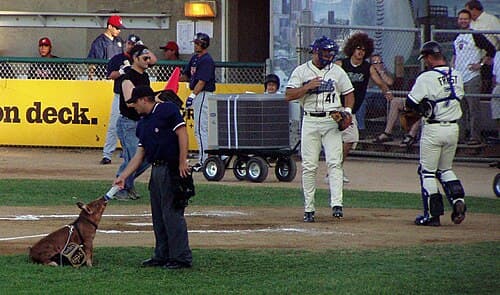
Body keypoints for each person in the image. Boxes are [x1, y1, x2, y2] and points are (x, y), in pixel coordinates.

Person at [114, 85, 192, 269]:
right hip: (156, 170)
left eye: (135, 102)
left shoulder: (167, 110)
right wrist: (124, 176)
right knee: (158, 215)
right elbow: (140, 154)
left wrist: (183, 161)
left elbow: (182, 134)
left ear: (143, 99)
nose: (134, 106)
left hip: (172, 168)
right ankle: (162, 254)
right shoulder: (143, 123)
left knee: (172, 214)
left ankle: (180, 257)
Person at [285, 36, 355, 222]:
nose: (329, 55)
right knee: (309, 166)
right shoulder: (302, 71)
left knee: (334, 162)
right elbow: (289, 94)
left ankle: (337, 205)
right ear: (316, 51)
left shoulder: (337, 71)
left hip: (332, 120)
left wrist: (347, 112)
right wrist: (308, 87)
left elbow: (349, 93)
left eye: (331, 52)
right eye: (325, 52)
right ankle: (309, 208)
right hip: (310, 120)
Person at [406, 41, 466, 226]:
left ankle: (432, 215)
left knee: (428, 172)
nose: (425, 61)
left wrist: (423, 108)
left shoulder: (426, 77)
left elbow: (411, 102)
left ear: (430, 57)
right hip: (453, 128)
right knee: (445, 169)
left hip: (434, 129)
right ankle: (458, 201)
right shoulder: (457, 74)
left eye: (425, 58)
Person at [335, 33, 393, 183]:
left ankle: (335, 169)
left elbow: (379, 82)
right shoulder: (342, 64)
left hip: (351, 109)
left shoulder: (368, 67)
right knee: (340, 139)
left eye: (363, 49)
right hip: (338, 107)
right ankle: (334, 171)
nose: (360, 52)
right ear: (352, 49)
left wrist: (386, 91)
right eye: (357, 48)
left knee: (350, 139)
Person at [115, 44, 157, 200]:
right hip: (128, 123)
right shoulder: (128, 77)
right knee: (133, 158)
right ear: (135, 58)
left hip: (141, 122)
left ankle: (127, 183)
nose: (148, 61)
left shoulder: (144, 76)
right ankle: (120, 188)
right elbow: (129, 102)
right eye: (144, 58)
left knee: (146, 158)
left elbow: (154, 60)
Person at [452, 9, 496, 145]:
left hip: (472, 77)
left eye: (465, 18)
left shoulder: (475, 35)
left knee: (473, 109)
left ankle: (475, 137)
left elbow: (491, 49)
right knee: (459, 110)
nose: (463, 21)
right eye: (460, 18)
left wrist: (481, 64)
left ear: (470, 20)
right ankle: (460, 137)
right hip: (459, 78)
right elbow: (455, 54)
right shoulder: (457, 36)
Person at [99, 34, 143, 165]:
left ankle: (131, 152)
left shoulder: (139, 60)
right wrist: (121, 72)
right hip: (119, 96)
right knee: (113, 125)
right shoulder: (118, 58)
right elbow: (110, 75)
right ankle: (107, 154)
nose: (130, 46)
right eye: (129, 43)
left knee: (135, 126)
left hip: (135, 98)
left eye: (133, 45)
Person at [180, 32, 216, 171]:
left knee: (200, 130)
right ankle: (207, 158)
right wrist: (176, 77)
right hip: (199, 94)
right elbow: (187, 75)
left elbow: (202, 81)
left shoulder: (207, 60)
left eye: (197, 43)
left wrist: (192, 96)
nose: (195, 45)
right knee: (201, 129)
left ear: (203, 44)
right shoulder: (195, 58)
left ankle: (203, 161)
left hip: (204, 94)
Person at [465, 0, 500, 93]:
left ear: (475, 10)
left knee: (486, 84)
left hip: (489, 58)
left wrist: (496, 57)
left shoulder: (492, 20)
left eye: (468, 10)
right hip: (473, 59)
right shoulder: (470, 22)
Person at [358, 54, 394, 133]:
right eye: (375, 63)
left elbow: (390, 82)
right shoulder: (367, 73)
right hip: (369, 100)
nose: (378, 64)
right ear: (371, 65)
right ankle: (361, 128)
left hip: (382, 100)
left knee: (377, 89)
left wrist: (381, 72)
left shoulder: (386, 72)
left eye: (380, 62)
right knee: (361, 100)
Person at [87, 15, 125, 80]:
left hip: (119, 77)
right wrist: (90, 77)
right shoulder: (99, 42)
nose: (119, 30)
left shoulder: (119, 40)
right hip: (104, 78)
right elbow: (92, 63)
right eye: (117, 28)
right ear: (110, 27)